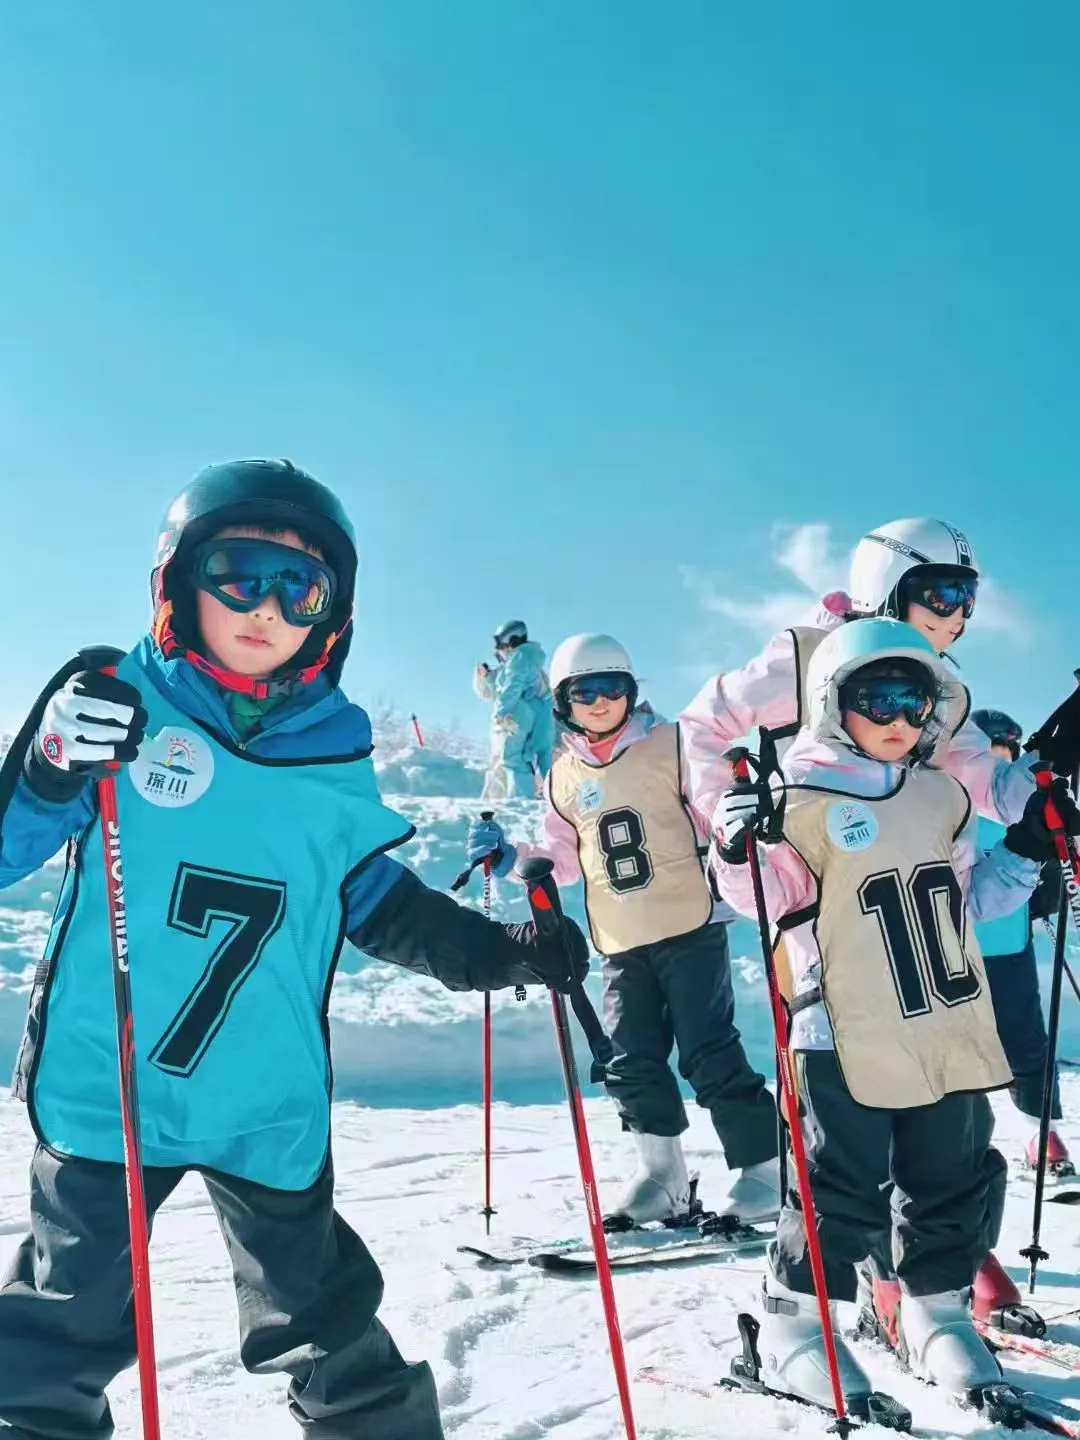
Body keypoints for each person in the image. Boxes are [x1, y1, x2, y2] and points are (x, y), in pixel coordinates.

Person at [0, 459, 589, 1440]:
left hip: (261, 1097)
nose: (266, 608)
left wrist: (505, 952)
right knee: (63, 1319)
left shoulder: (330, 755)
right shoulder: (114, 707)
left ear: (333, 616)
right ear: (176, 581)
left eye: (300, 588)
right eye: (237, 572)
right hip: (109, 1086)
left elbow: (376, 901)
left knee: (323, 1317)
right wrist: (50, 768)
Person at [709, 618, 1077, 1409]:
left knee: (951, 1176)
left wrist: (1027, 851)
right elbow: (761, 899)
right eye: (880, 699)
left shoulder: (940, 795)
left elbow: (967, 905)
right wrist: (736, 848)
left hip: (943, 1023)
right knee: (838, 1186)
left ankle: (936, 1313)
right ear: (832, 701)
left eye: (916, 703)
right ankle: (794, 1329)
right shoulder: (798, 798)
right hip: (844, 1030)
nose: (901, 719)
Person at [466, 633, 780, 1227]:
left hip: (689, 924)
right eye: (585, 692)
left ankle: (765, 1169)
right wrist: (512, 858)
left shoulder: (674, 744)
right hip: (620, 939)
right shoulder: (561, 777)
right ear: (563, 702)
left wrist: (738, 821)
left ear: (631, 691)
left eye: (612, 687)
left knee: (708, 1050)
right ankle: (662, 1178)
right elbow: (563, 858)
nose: (600, 701)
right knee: (629, 1059)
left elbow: (714, 813)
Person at [970, 708, 1075, 1178]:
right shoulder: (948, 806)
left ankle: (1041, 1133)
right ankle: (949, 1146)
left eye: (1005, 753)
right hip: (951, 951)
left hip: (1009, 948)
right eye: (988, 753)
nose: (998, 762)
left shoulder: (1021, 805)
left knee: (1027, 1045)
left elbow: (1044, 866)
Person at [473, 619, 554, 800]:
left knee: (511, 758)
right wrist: (489, 678)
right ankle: (555, 796)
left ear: (512, 640)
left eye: (500, 644)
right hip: (540, 715)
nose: (499, 649)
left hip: (519, 714)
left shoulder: (519, 660)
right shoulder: (530, 660)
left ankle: (520, 799)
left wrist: (500, 714)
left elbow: (511, 689)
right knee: (543, 758)